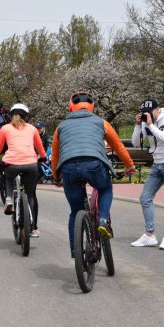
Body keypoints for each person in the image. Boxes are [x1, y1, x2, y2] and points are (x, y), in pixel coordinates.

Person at [51, 92, 136, 257]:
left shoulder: (60, 126)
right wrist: (129, 165)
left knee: (75, 213)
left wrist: (55, 176)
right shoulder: (101, 122)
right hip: (94, 165)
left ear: (70, 107)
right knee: (105, 189)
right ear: (92, 107)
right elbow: (118, 147)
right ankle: (103, 219)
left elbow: (55, 155)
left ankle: (76, 252)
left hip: (68, 168)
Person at [0, 104, 47, 237]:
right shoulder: (32, 129)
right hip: (31, 164)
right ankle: (32, 227)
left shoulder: (5, 128)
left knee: (8, 177)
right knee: (30, 195)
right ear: (25, 116)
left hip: (12, 163)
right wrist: (42, 158)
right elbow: (40, 148)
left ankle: (8, 199)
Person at [130, 99, 164, 249]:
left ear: (158, 109)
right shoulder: (145, 121)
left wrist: (150, 125)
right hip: (157, 164)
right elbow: (135, 143)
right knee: (145, 197)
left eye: (151, 113)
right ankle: (150, 235)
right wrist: (138, 125)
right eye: (145, 114)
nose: (148, 116)